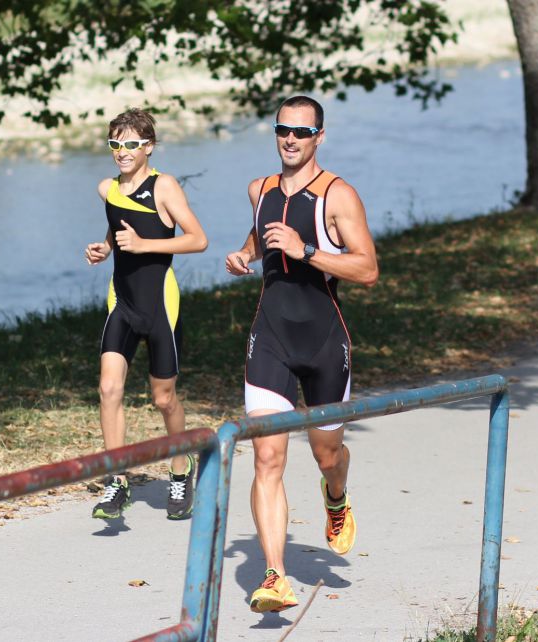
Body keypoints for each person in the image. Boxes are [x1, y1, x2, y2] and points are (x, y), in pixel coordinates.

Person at [224, 95, 379, 613]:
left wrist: (306, 251)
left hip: (322, 341)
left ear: (319, 136)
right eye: (282, 130)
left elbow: (367, 269)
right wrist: (246, 253)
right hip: (270, 337)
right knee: (267, 456)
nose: (290, 139)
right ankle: (274, 575)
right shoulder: (259, 189)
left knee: (326, 454)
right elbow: (260, 228)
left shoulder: (339, 196)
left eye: (302, 131)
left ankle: (335, 497)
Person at [85, 108, 208, 521]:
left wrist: (144, 246)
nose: (122, 152)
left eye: (131, 144)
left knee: (163, 397)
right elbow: (117, 234)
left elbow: (198, 240)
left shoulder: (164, 187)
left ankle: (180, 466)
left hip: (159, 304)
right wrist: (105, 249)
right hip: (121, 301)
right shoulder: (107, 188)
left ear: (148, 147)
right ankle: (116, 480)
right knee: (108, 389)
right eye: (115, 144)